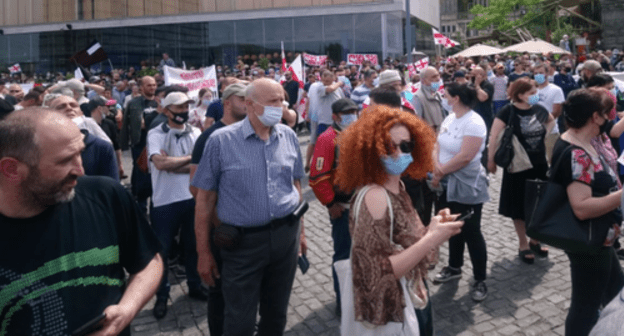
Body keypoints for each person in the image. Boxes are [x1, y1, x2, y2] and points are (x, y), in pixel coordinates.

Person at [0, 109, 163, 335]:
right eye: (65, 160)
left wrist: (126, 309)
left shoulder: (105, 195)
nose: (81, 169)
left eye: (80, 153)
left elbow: (148, 262)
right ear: (12, 169)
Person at [334, 105, 463, 336]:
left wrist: (433, 228)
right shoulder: (376, 196)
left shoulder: (398, 185)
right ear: (371, 150)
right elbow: (376, 271)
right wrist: (433, 237)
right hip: (393, 309)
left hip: (414, 294)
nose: (402, 153)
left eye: (408, 145)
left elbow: (408, 244)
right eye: (390, 146)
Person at [192, 79, 307, 336]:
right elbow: (204, 199)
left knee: (276, 315)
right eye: (273, 102)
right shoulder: (221, 141)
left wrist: (301, 232)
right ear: (249, 104)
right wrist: (203, 252)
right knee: (239, 320)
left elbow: (295, 185)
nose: (280, 107)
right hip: (242, 245)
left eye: (282, 101)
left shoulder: (288, 135)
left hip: (285, 238)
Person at [551, 89, 624, 336]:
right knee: (585, 306)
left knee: (616, 291)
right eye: (606, 114)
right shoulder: (577, 153)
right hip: (589, 241)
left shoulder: (580, 141)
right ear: (595, 117)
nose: (609, 119)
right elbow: (581, 208)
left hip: (601, 239)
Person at [188, 81, 248, 336]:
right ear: (228, 102)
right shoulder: (209, 137)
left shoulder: (252, 131)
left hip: (248, 229)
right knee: (220, 291)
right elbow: (195, 187)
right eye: (244, 99)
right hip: (222, 228)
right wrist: (219, 222)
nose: (250, 103)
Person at [147, 91, 205, 319]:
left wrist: (175, 164)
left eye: (185, 107)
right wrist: (192, 159)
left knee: (193, 246)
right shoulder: (156, 133)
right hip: (164, 201)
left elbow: (200, 166)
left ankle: (194, 285)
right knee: (161, 251)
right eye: (178, 108)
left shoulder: (197, 132)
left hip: (191, 198)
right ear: (166, 110)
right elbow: (160, 163)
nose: (183, 112)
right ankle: (161, 296)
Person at [431, 83, 489, 302]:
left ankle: (480, 278)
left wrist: (440, 172)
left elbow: (466, 156)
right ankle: (454, 266)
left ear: (455, 98)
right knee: (451, 227)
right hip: (445, 183)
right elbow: (436, 143)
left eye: (446, 95)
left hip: (466, 185)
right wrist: (437, 167)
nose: (444, 98)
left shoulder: (474, 122)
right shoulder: (449, 117)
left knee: (472, 232)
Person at [487, 77, 555, 264]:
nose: (535, 96)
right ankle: (523, 244)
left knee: (538, 204)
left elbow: (551, 120)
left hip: (539, 164)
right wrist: (490, 160)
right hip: (517, 166)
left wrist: (545, 136)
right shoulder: (507, 111)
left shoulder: (539, 109)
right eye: (531, 93)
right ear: (519, 94)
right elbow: (493, 137)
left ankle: (535, 240)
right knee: (519, 206)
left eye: (536, 92)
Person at [309, 98, 358, 317]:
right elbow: (318, 177)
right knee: (344, 256)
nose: (352, 115)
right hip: (343, 207)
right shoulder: (328, 139)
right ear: (336, 116)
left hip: (363, 205)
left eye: (355, 111)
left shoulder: (359, 133)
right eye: (347, 112)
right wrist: (330, 204)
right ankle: (343, 301)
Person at [120, 76, 158, 215]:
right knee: (140, 174)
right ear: (141, 87)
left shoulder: (160, 103)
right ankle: (140, 207)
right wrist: (123, 144)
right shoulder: (134, 103)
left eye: (154, 85)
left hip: (157, 144)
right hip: (139, 144)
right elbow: (126, 124)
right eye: (149, 85)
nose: (152, 88)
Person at [534, 63, 565, 163]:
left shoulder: (556, 90)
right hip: (532, 132)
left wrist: (543, 122)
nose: (538, 75)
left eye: (541, 73)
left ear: (547, 73)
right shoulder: (532, 90)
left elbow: (557, 111)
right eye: (536, 73)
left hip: (550, 131)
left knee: (552, 160)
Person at [315, 70, 345, 137]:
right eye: (323, 80)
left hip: (336, 123)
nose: (325, 83)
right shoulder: (320, 87)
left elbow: (343, 102)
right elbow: (330, 89)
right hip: (324, 123)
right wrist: (340, 83)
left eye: (327, 81)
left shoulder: (338, 89)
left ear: (333, 79)